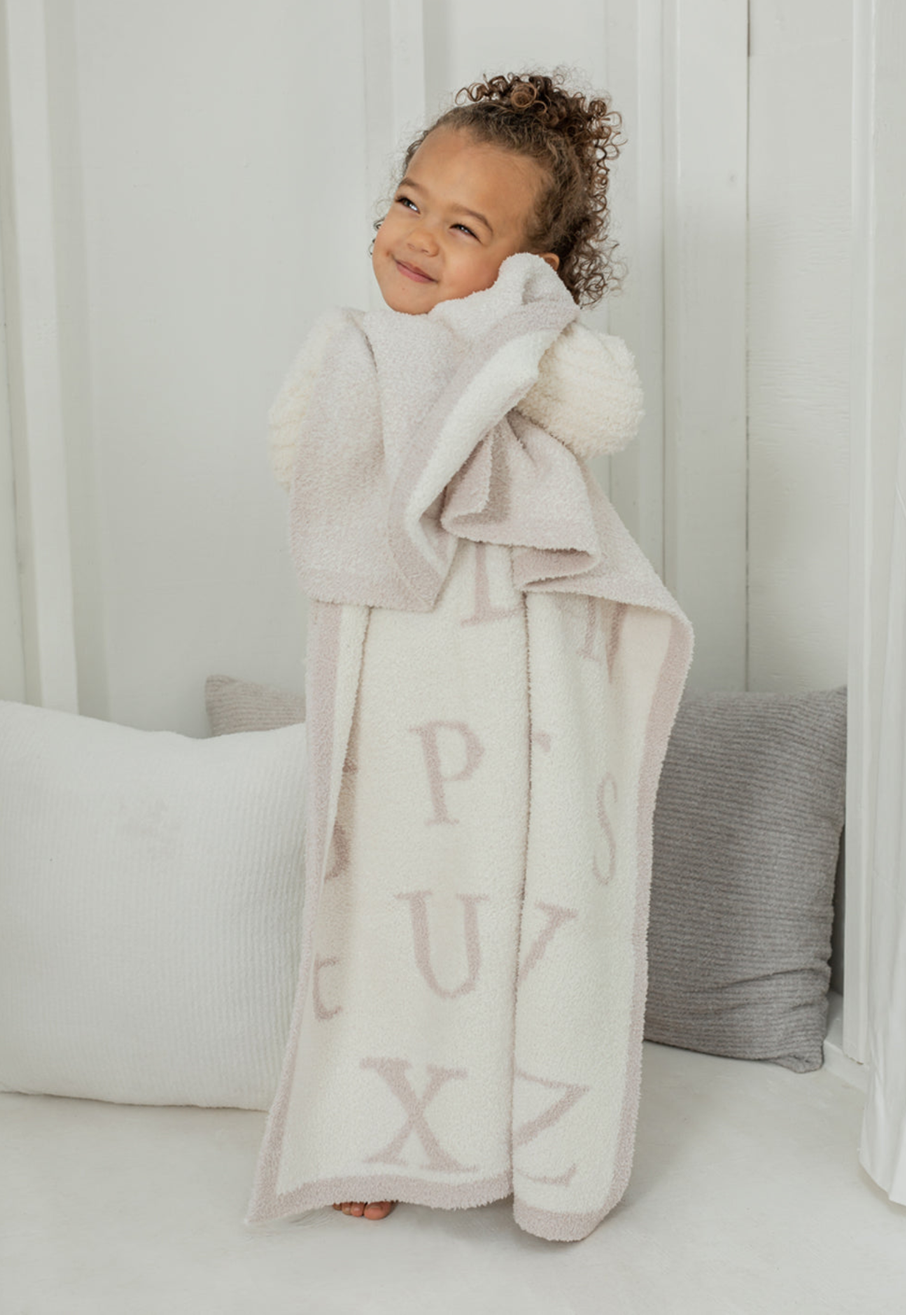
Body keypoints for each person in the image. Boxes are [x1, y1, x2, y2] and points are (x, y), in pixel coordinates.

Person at [250, 72, 692, 1242]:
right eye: (409, 201)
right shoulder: (349, 351)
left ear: (530, 266)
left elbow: (607, 414)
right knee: (392, 912)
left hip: (529, 692)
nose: (417, 238)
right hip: (399, 684)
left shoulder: (536, 355)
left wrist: (505, 326)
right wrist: (410, 370)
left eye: (465, 229)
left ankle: (533, 1134)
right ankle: (380, 1125)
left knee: (528, 910)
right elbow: (299, 454)